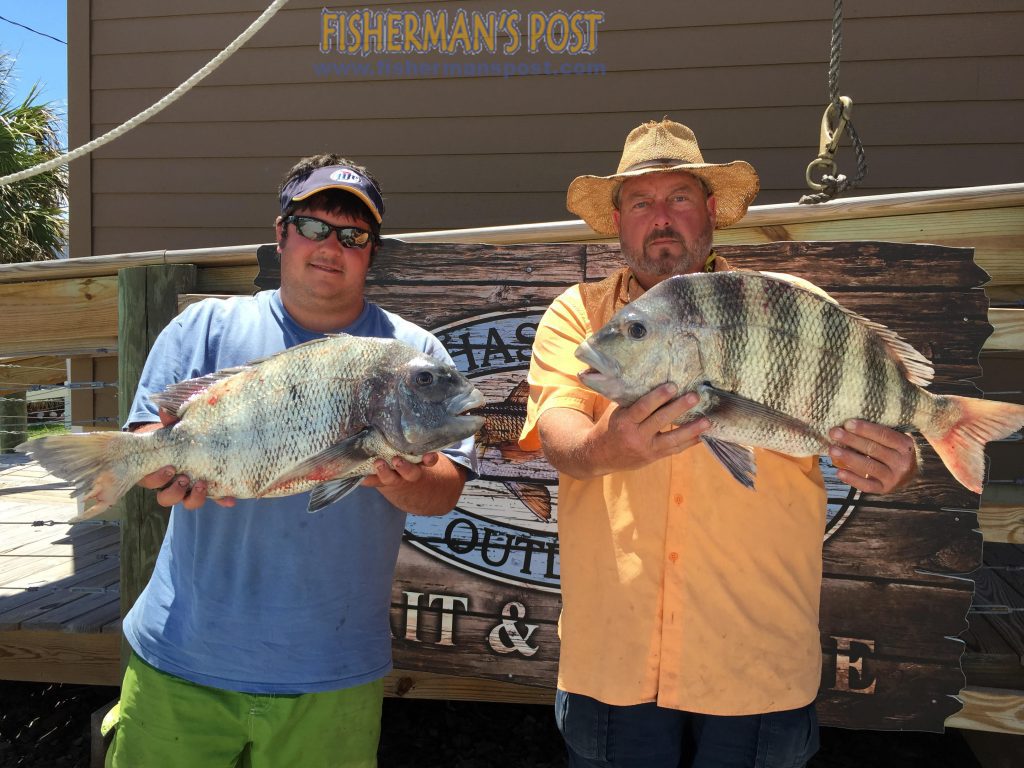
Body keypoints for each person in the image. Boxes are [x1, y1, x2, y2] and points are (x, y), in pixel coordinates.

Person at [519, 119, 918, 768]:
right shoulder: (577, 316)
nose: (661, 219)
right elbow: (559, 438)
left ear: (709, 212)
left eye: (679, 197)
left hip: (754, 659)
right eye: (641, 202)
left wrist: (896, 464)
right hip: (614, 661)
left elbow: (879, 425)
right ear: (618, 221)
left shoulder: (789, 309)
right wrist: (607, 446)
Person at [104, 155, 476, 768]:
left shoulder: (414, 357)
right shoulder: (204, 327)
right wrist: (157, 467)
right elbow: (150, 435)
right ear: (280, 233)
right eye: (313, 226)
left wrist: (405, 476)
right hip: (182, 655)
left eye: (353, 235)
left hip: (333, 671)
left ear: (371, 253)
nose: (332, 246)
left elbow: (441, 491)